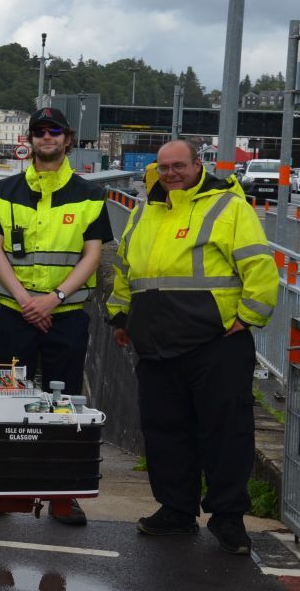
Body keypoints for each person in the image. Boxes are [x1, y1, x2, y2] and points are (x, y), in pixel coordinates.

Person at [108, 140, 277, 555]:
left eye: (179, 165)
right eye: (164, 167)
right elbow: (127, 268)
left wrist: (247, 317)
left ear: (196, 165)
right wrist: (121, 316)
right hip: (157, 344)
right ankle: (176, 511)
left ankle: (229, 518)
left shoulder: (228, 206)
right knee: (165, 432)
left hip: (216, 343)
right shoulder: (146, 210)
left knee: (226, 432)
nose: (171, 173)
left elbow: (258, 263)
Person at [0, 107, 112, 526]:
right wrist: (24, 299)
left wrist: (53, 298)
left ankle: (62, 492)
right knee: (5, 400)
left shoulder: (90, 195)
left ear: (68, 139)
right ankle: (1, 489)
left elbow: (93, 255)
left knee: (66, 404)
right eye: (40, 130)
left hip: (66, 314)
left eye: (54, 130)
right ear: (31, 139)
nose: (47, 136)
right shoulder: (4, 190)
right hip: (15, 313)